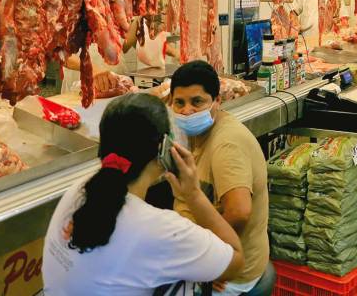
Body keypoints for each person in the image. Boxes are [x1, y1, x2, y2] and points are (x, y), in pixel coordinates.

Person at [42, 92, 244, 295]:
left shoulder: (80, 189)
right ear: (164, 148)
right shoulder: (161, 230)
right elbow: (235, 261)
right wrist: (194, 194)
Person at [171, 60, 271, 296]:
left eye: (197, 102)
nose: (187, 111)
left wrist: (212, 259)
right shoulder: (197, 132)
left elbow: (239, 211)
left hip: (229, 274)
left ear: (216, 101)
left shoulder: (227, 144)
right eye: (179, 103)